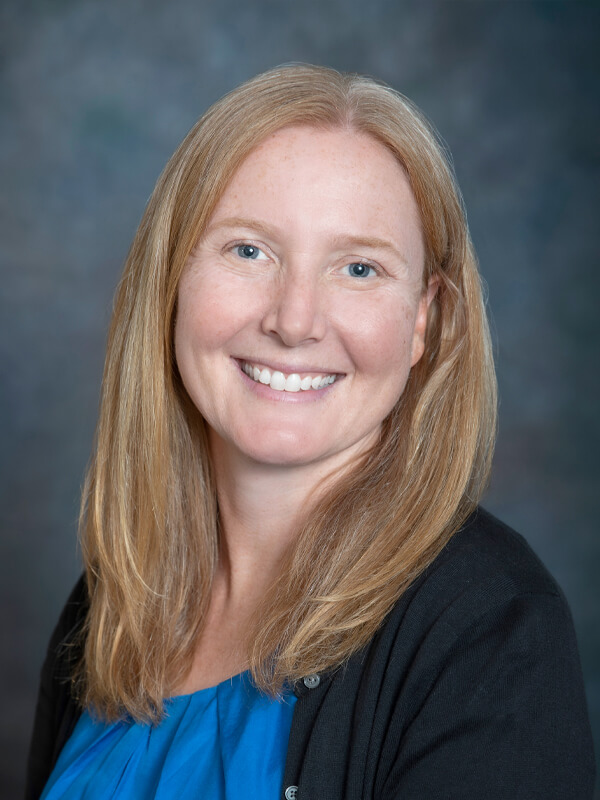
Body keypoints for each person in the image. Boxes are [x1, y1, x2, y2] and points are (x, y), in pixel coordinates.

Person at [26, 64, 595, 799]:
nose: (294, 320)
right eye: (248, 251)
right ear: (171, 280)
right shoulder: (110, 606)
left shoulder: (490, 630)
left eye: (359, 268)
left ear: (422, 321)